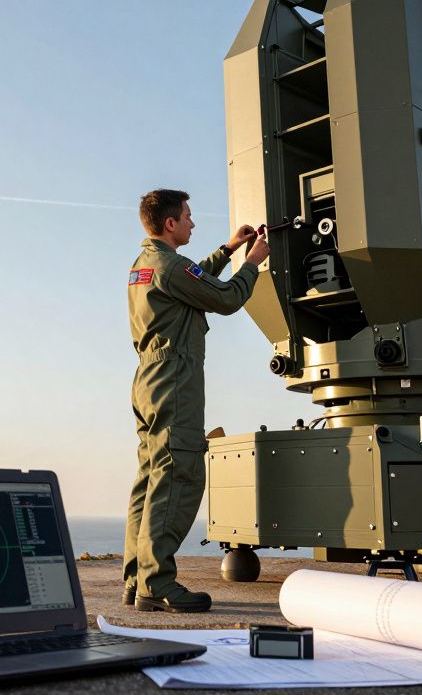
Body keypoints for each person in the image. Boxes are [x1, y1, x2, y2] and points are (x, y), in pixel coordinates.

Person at [122, 188, 270, 613]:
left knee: (151, 479)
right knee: (178, 475)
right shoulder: (168, 265)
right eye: (187, 217)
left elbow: (193, 279)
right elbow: (223, 298)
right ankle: (158, 583)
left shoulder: (146, 264)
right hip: (175, 379)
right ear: (170, 223)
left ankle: (137, 580)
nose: (192, 223)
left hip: (150, 379)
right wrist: (253, 263)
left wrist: (227, 250)